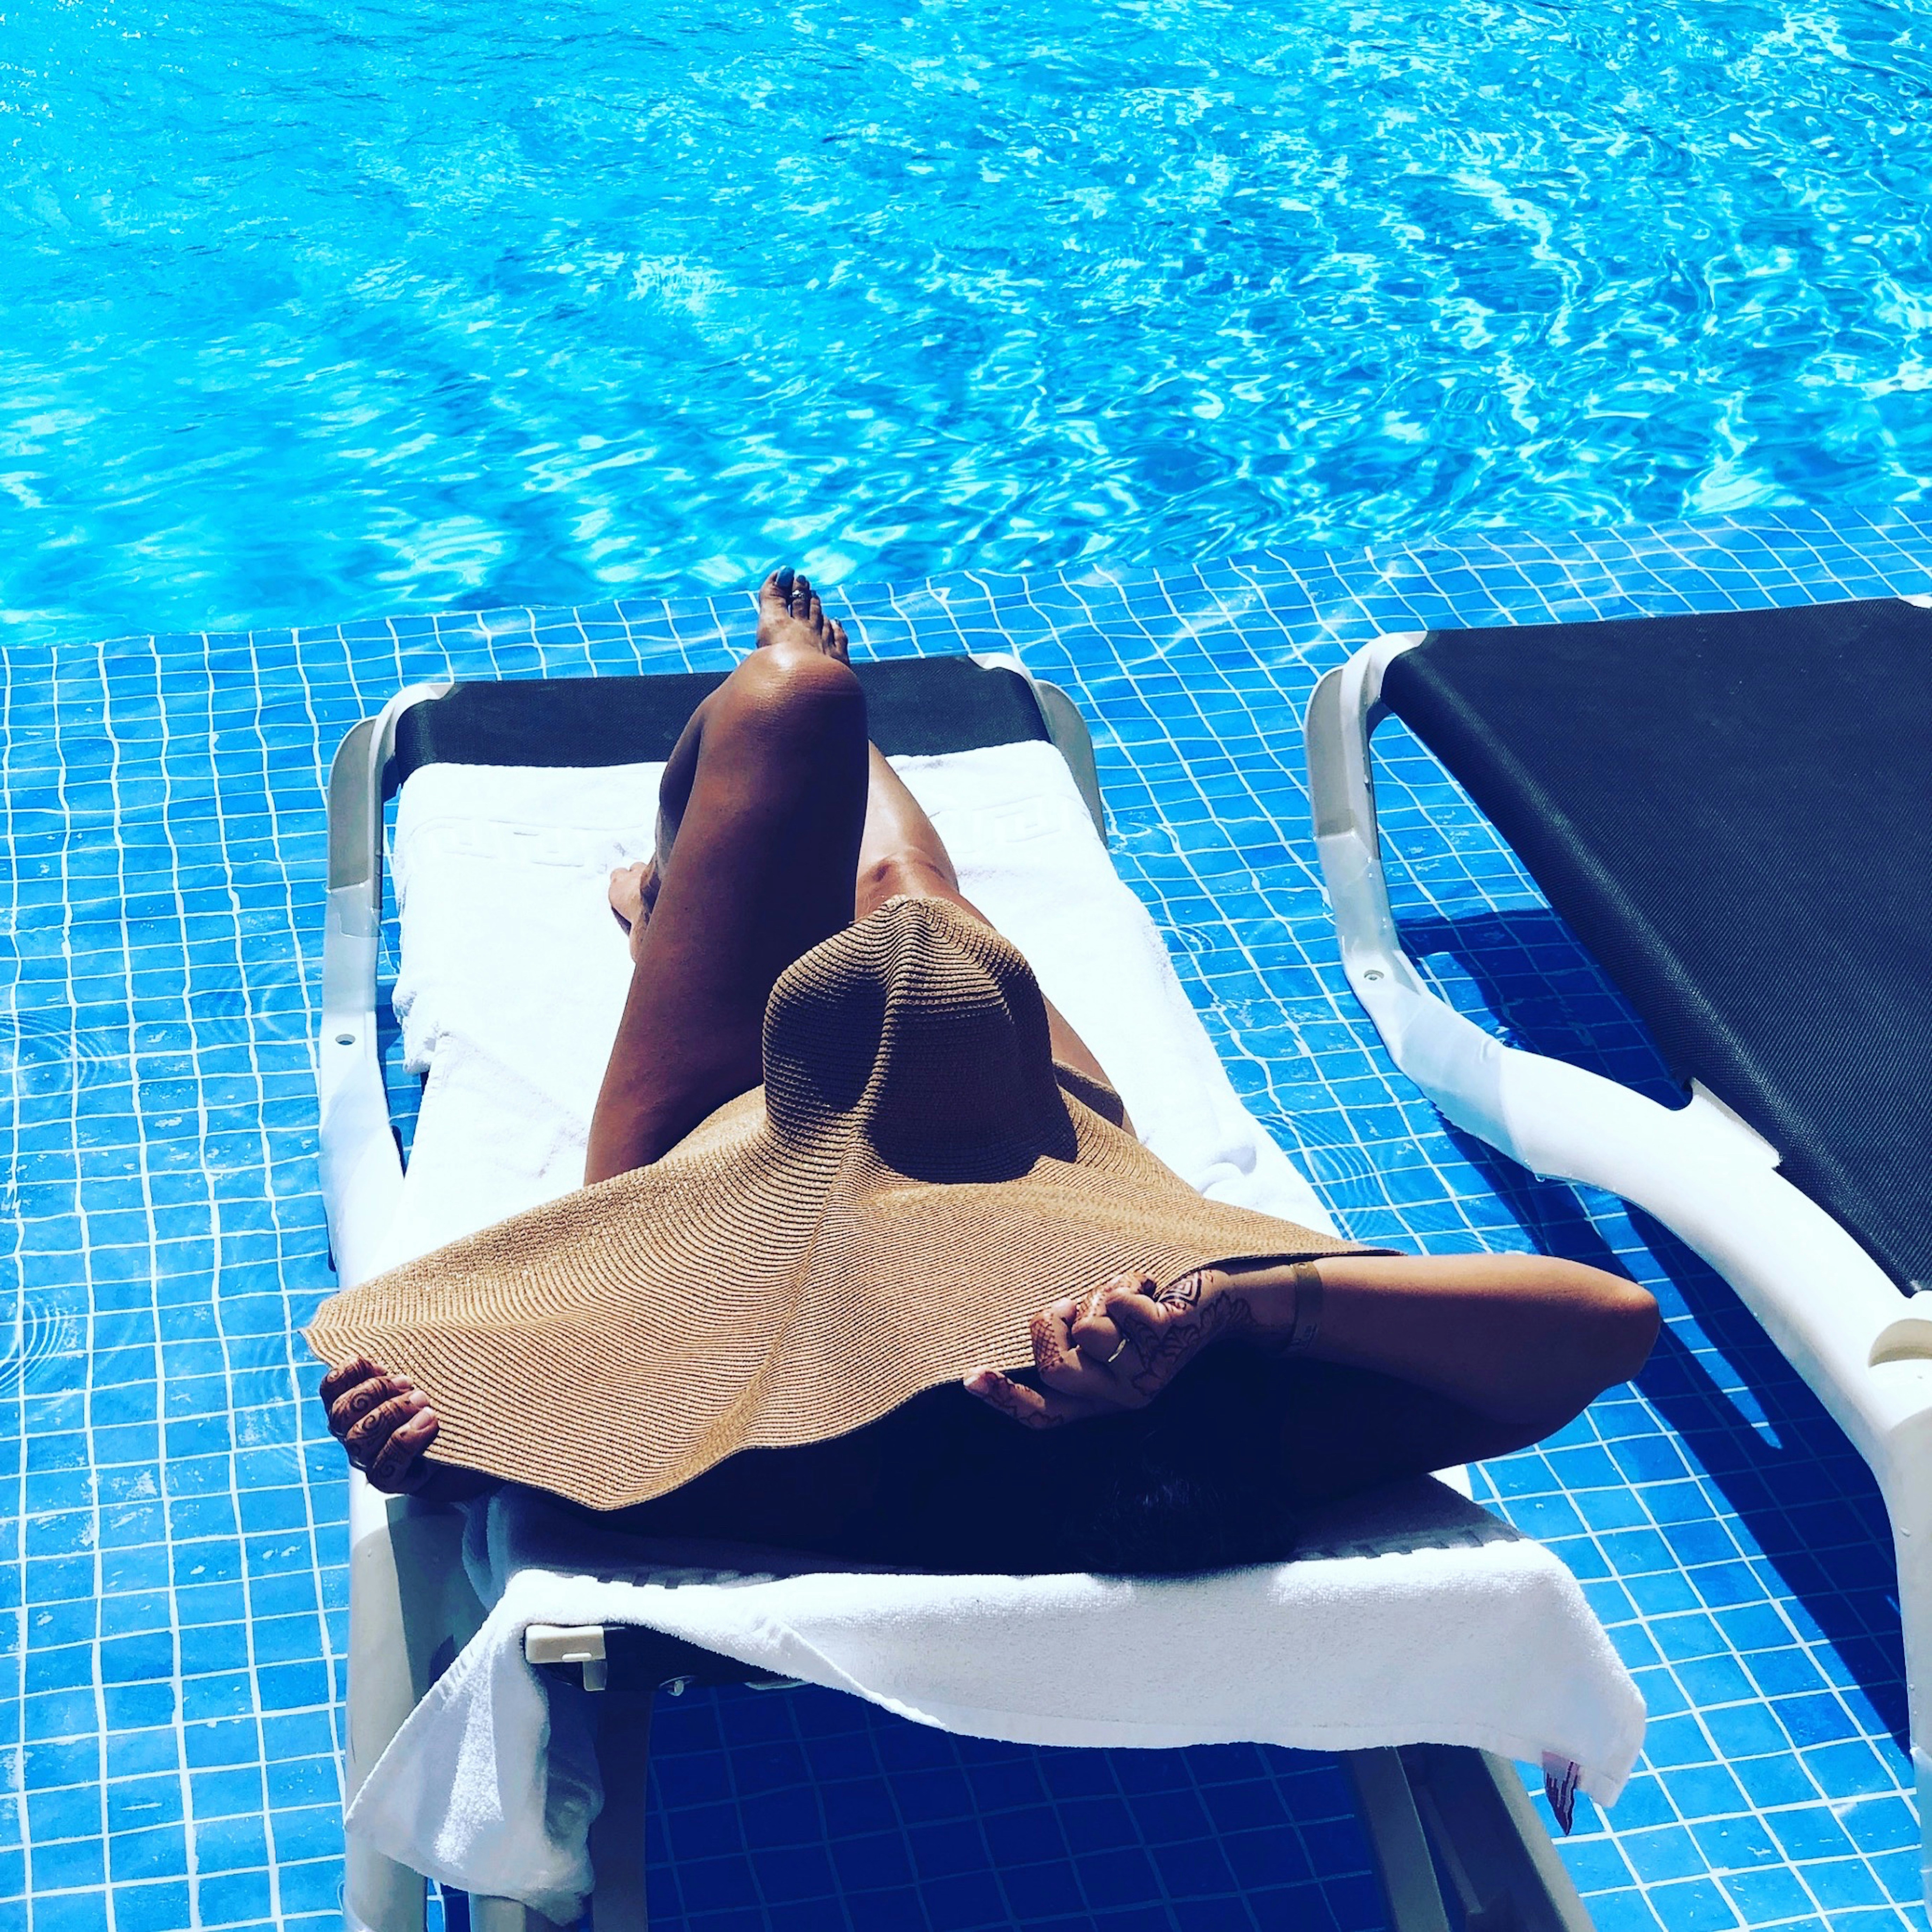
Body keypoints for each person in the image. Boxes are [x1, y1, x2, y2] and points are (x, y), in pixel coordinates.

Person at [313, 568, 1657, 1575]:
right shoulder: (1273, 1439)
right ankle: (754, 878)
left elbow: (496, 1445)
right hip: (1027, 1123)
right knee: (908, 895)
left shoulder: (794, 1474)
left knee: (791, 702)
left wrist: (426, 1457)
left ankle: (672, 904)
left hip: (728, 1149)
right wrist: (1230, 1309)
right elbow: (1605, 1321)